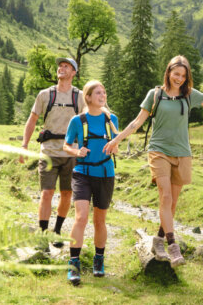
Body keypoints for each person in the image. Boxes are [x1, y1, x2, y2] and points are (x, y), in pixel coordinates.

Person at [104, 55, 203, 267]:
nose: (179, 78)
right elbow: (136, 123)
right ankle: (172, 245)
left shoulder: (189, 95)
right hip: (159, 151)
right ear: (168, 72)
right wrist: (116, 140)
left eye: (183, 75)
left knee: (173, 202)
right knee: (165, 196)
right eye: (176, 74)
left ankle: (158, 240)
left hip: (182, 153)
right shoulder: (155, 94)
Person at [20, 57, 85, 246]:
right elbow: (32, 121)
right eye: (60, 66)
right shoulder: (45, 95)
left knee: (66, 194)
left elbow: (87, 121)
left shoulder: (79, 97)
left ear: (74, 72)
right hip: (48, 151)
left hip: (71, 153)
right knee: (47, 192)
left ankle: (57, 231)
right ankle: (42, 233)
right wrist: (24, 146)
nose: (61, 68)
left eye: (66, 66)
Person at [62, 80, 119, 286]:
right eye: (98, 93)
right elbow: (66, 146)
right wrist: (77, 151)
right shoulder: (77, 121)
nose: (102, 96)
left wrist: (114, 147)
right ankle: (74, 264)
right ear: (88, 97)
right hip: (82, 173)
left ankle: (99, 260)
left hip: (105, 173)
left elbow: (115, 144)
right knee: (81, 217)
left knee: (99, 220)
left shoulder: (112, 119)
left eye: (104, 92)